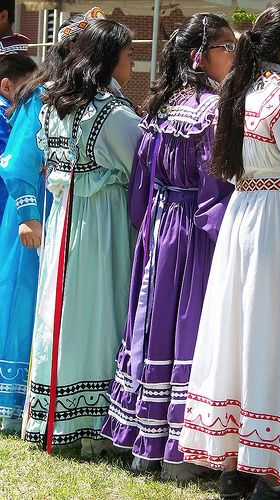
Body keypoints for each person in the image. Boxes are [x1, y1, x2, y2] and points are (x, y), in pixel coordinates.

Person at [178, 3, 280, 499]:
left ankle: (237, 464)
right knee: (278, 332)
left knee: (242, 333)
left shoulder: (240, 91)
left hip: (245, 217)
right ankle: (273, 466)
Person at [101, 12, 235, 480]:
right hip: (195, 230)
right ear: (203, 56)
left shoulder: (162, 107)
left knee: (152, 322)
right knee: (186, 327)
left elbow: (142, 182)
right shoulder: (214, 111)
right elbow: (216, 184)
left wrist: (151, 221)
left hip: (160, 226)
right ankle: (179, 450)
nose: (234, 58)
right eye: (228, 48)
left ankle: (144, 441)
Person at [22, 19, 142, 456]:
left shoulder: (56, 105)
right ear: (110, 58)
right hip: (101, 222)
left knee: (64, 310)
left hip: (65, 219)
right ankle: (93, 423)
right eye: (128, 54)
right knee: (97, 310)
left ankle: (56, 413)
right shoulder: (111, 112)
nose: (133, 62)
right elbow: (141, 167)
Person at [0, 11, 103, 434]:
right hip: (34, 216)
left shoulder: (72, 94)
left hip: (62, 211)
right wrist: (28, 215)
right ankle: (12, 400)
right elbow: (17, 162)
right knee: (22, 299)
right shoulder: (43, 94)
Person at [0, 53, 36, 222]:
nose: (33, 96)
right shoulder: (5, 117)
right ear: (6, 86)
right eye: (27, 89)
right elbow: (14, 159)